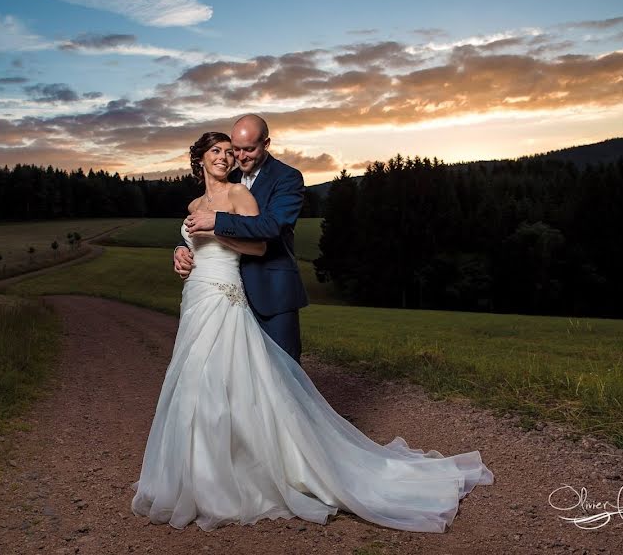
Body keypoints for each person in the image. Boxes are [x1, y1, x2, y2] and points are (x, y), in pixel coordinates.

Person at [130, 131, 495, 533]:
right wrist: (180, 252)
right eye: (215, 151)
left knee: (231, 385)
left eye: (229, 152)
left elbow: (257, 247)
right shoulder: (193, 204)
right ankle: (201, 478)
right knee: (194, 386)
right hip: (196, 298)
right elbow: (192, 244)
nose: (224, 157)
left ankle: (257, 476)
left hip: (226, 298)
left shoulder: (238, 196)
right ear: (199, 158)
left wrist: (214, 230)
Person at [174, 114, 307, 365]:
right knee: (234, 373)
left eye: (249, 149)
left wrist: (218, 222)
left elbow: (273, 225)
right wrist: (181, 248)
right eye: (236, 149)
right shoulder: (228, 177)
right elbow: (198, 222)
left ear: (266, 144)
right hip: (227, 292)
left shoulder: (288, 177)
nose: (241, 157)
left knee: (284, 373)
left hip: (272, 291)